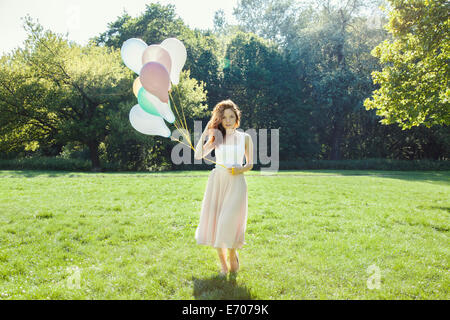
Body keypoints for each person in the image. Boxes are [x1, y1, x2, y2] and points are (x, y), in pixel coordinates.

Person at [194, 99, 254, 275]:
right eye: (224, 117)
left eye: (231, 116)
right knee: (215, 225)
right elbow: (198, 155)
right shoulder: (216, 138)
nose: (227, 120)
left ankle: (233, 251)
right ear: (219, 119)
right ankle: (222, 265)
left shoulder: (245, 137)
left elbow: (250, 164)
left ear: (237, 118)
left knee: (227, 222)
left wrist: (239, 169)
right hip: (217, 182)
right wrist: (206, 131)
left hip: (236, 183)